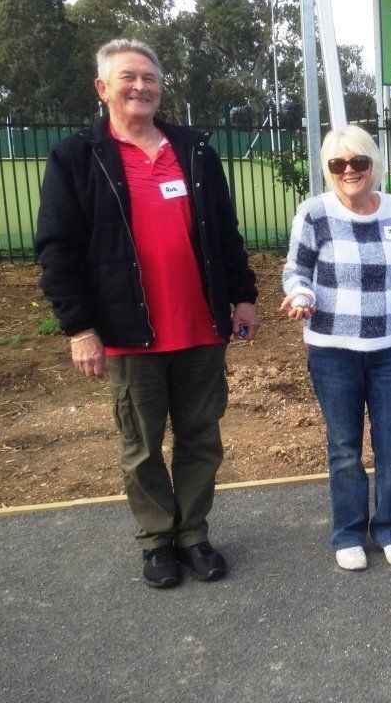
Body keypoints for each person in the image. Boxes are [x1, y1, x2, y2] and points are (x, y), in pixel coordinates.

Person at [35, 39, 259, 588]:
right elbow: (58, 249)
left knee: (201, 439)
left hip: (201, 328)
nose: (140, 87)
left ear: (161, 87)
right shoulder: (76, 157)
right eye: (128, 77)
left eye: (150, 78)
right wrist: (79, 328)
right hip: (128, 333)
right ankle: (157, 539)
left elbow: (225, 233)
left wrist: (244, 296)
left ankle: (193, 535)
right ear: (102, 88)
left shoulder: (194, 151)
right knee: (141, 445)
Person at [281, 124, 391, 572]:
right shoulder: (315, 213)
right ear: (328, 169)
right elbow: (296, 270)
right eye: (338, 164)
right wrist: (301, 294)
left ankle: (389, 528)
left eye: (359, 161)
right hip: (333, 351)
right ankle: (348, 533)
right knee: (345, 447)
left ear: (373, 163)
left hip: (388, 349)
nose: (349, 170)